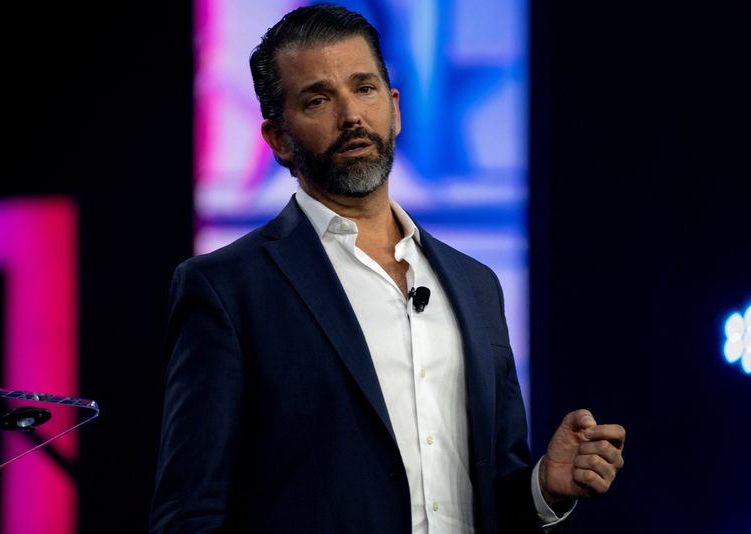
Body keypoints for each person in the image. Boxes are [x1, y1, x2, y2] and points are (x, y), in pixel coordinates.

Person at [150, 5, 625, 533]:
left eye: (365, 88)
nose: (351, 115)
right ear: (278, 139)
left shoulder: (475, 284)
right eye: (317, 100)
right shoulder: (227, 288)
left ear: (395, 109)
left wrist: (541, 489)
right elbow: (189, 513)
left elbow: (486, 496)